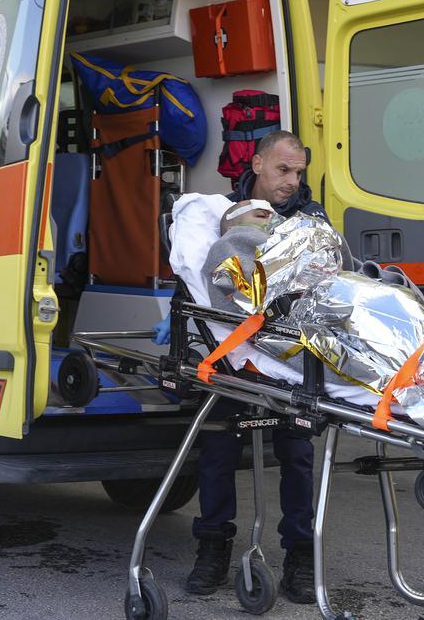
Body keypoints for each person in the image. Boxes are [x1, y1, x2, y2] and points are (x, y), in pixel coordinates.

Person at [152, 132, 324, 603]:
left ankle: (301, 559)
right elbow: (197, 275)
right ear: (258, 163)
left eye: (299, 172)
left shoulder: (310, 220)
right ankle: (212, 550)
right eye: (283, 170)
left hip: (291, 356)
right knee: (217, 449)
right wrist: (176, 318)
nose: (292, 181)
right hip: (231, 351)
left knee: (297, 453)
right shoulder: (228, 212)